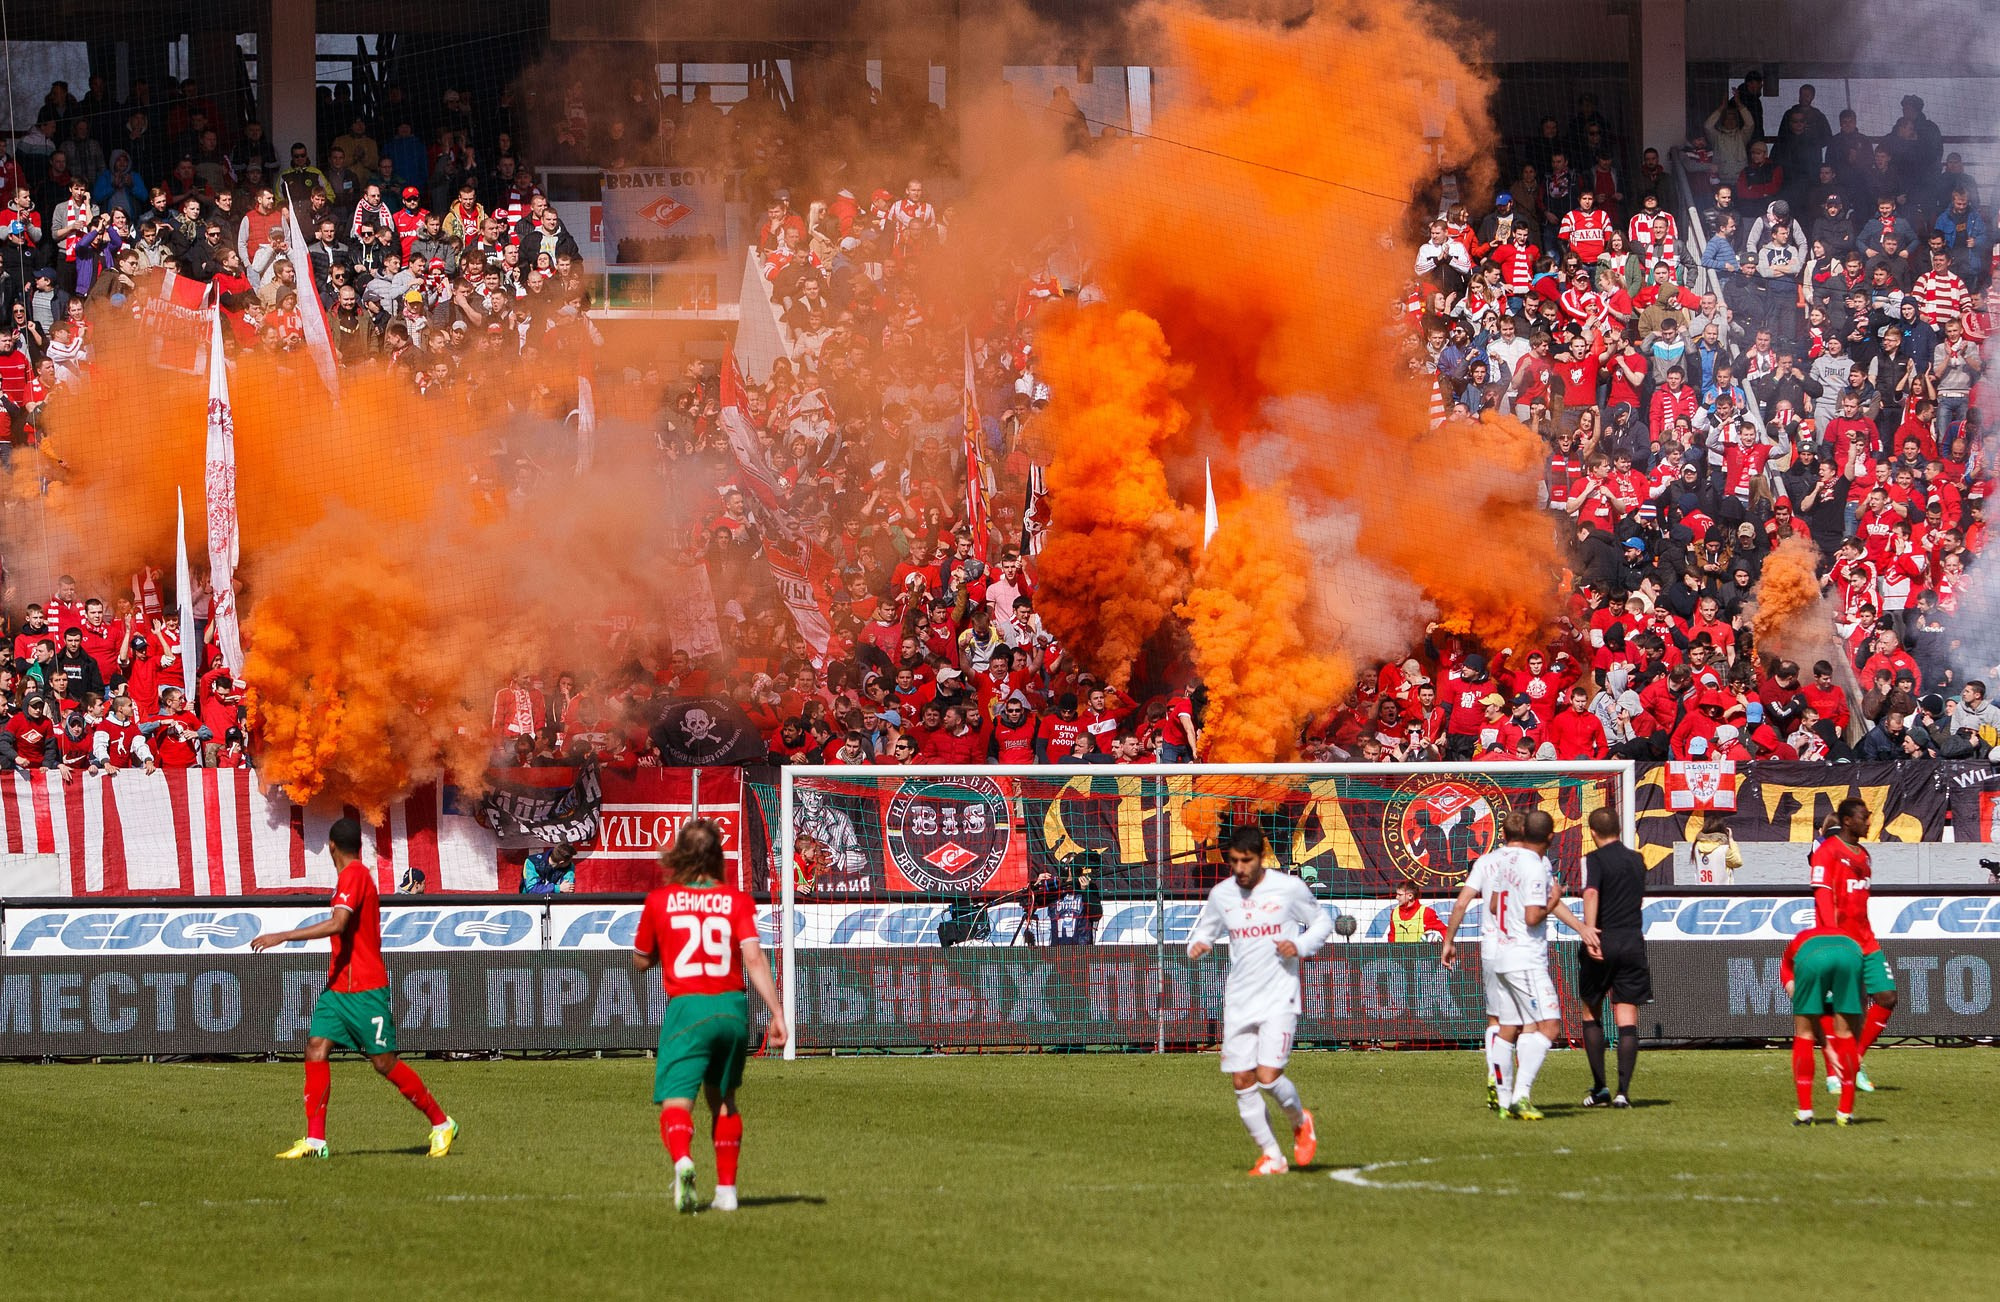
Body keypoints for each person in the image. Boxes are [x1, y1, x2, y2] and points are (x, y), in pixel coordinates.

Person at [250, 817, 458, 1160]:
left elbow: (339, 922)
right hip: (338, 988)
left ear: (331, 846)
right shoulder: (351, 876)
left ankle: (441, 1122)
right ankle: (316, 1141)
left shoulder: (355, 875)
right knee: (316, 1047)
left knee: (383, 1062)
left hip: (365, 987)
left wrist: (283, 935)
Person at [632, 818, 787, 1213]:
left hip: (689, 1008)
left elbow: (640, 960)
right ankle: (727, 1192)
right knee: (724, 1100)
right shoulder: (736, 900)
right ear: (718, 857)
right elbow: (753, 957)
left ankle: (683, 1159)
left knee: (676, 1102)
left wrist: (654, 955)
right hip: (732, 1009)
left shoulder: (660, 901)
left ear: (679, 855)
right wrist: (777, 1012)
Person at [1185, 824, 1330, 1176]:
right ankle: (1272, 1156)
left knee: (1267, 1075)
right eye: (1234, 861)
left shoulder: (1288, 888)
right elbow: (1203, 933)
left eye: (1246, 861)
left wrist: (1300, 946)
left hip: (1280, 995)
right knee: (1241, 1081)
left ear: (1261, 857)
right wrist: (1198, 947)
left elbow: (1322, 922)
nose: (1240, 869)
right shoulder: (1222, 895)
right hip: (1239, 1000)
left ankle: (1299, 1120)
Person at [1439, 809, 1598, 1120]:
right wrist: (1554, 899)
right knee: (1549, 1025)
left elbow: (1493, 902)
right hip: (1524, 956)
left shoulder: (1500, 861)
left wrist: (1451, 939)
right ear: (1549, 837)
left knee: (1505, 1026)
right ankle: (1521, 1096)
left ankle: (1501, 1096)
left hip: (1497, 951)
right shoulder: (1538, 865)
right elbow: (1532, 916)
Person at [1808, 797, 1896, 1094]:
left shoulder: (1865, 855)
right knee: (1842, 1008)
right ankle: (1836, 1073)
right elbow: (1822, 899)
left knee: (1886, 997)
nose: (1868, 822)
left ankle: (1852, 1062)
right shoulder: (1827, 852)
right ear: (1847, 821)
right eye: (1864, 817)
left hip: (1866, 941)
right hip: (1837, 942)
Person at [1577, 807, 1651, 1108]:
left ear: (1593, 832)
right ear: (1619, 830)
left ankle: (1600, 1088)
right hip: (1632, 940)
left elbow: (1591, 893)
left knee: (1590, 1011)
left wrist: (1591, 930)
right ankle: (1623, 1092)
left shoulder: (1593, 859)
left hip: (1604, 939)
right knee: (1627, 1015)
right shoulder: (1637, 860)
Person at [1781, 925, 1867, 1126]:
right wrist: (1853, 1044)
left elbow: (1810, 1022)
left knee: (1804, 1034)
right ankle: (1845, 1113)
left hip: (1813, 957)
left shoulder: (1791, 962)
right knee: (1846, 1035)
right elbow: (1862, 1000)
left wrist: (1826, 1046)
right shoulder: (1848, 937)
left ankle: (1805, 1112)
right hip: (1851, 953)